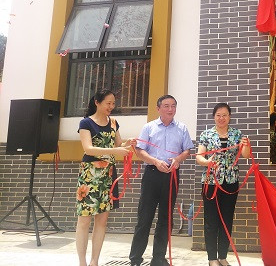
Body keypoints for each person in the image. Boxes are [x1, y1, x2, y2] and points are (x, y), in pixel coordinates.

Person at [129, 95, 194, 266]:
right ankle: (135, 259)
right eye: (166, 106)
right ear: (158, 108)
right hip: (152, 175)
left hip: (171, 177)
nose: (170, 109)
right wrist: (155, 161)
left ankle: (158, 259)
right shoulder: (149, 127)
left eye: (173, 106)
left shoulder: (182, 128)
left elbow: (187, 150)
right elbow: (140, 151)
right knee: (144, 218)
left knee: (166, 219)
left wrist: (178, 159)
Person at [76, 89, 136, 266]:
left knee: (102, 221)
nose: (111, 106)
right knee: (84, 220)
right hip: (89, 174)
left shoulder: (114, 122)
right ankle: (82, 262)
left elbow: (119, 144)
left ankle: (94, 261)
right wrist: (115, 151)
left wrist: (128, 143)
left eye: (113, 103)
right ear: (97, 102)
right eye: (108, 103)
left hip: (108, 175)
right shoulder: (86, 123)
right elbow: (88, 149)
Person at [196, 103, 251, 266]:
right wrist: (207, 162)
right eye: (218, 115)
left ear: (230, 117)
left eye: (225, 115)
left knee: (227, 219)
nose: (221, 118)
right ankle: (212, 258)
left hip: (231, 182)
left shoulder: (237, 134)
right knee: (211, 220)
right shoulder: (206, 134)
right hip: (211, 182)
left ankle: (222, 256)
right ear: (214, 116)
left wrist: (246, 145)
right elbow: (199, 157)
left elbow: (245, 155)